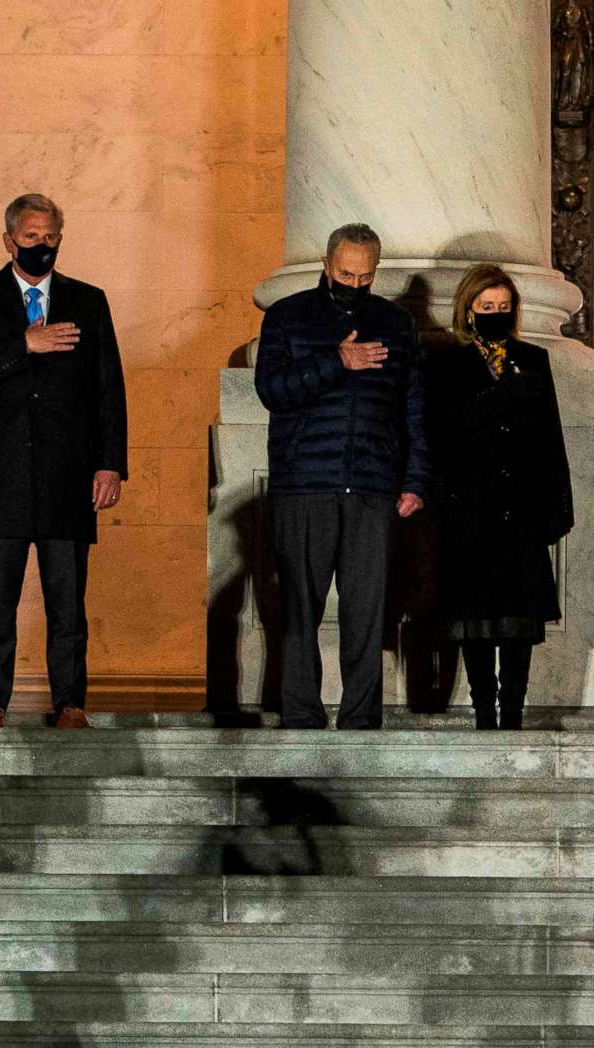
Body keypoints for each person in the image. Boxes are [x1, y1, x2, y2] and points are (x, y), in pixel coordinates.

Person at [0, 192, 128, 730]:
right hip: (0, 478)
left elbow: (108, 389)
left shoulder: (88, 301)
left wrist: (110, 463)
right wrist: (24, 343)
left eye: (50, 237)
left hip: (69, 478)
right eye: (31, 237)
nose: (41, 246)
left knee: (67, 602)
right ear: (8, 240)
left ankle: (71, 702)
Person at [254, 223, 430, 731]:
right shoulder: (288, 317)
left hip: (373, 488)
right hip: (303, 483)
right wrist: (337, 361)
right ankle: (302, 715)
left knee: (367, 613)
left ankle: (360, 719)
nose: (354, 283)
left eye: (365, 275)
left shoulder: (396, 324)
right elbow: (272, 390)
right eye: (345, 273)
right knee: (300, 611)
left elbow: (412, 407)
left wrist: (414, 479)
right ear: (328, 265)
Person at [423, 262, 573, 729]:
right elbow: (445, 431)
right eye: (487, 306)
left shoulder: (533, 360)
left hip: (521, 509)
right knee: (476, 616)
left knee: (519, 618)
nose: (495, 313)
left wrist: (558, 505)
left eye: (503, 307)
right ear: (468, 310)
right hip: (469, 510)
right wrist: (501, 393)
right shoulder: (448, 364)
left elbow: (551, 434)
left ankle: (513, 712)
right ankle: (484, 711)